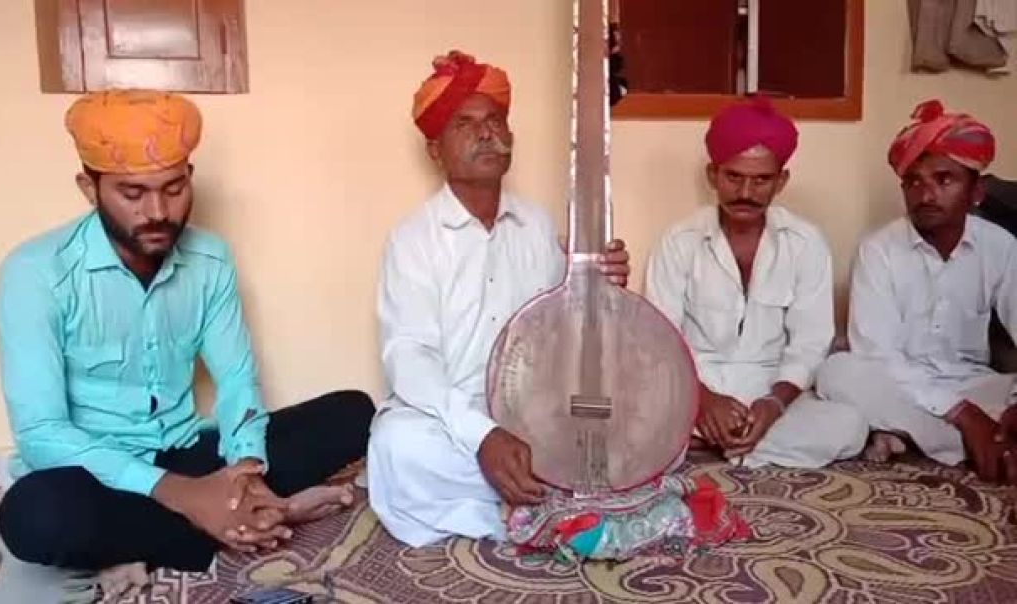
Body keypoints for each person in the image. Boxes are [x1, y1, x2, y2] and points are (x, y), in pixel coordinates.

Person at [0, 90, 374, 588]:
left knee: (354, 411)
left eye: (174, 189)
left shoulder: (210, 259)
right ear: (89, 188)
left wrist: (247, 472)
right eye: (133, 194)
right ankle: (256, 516)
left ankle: (209, 519)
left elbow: (236, 379)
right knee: (33, 516)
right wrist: (180, 493)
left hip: (190, 451)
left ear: (190, 179)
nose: (158, 211)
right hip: (100, 472)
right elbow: (42, 433)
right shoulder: (36, 272)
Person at [366, 51, 630, 547]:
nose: (486, 133)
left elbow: (571, 328)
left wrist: (603, 287)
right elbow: (409, 358)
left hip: (536, 410)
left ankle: (528, 500)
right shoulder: (413, 239)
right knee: (397, 448)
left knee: (630, 416)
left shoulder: (538, 226)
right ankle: (538, 511)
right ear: (434, 150)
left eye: (495, 120)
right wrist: (482, 435)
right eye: (464, 124)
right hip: (451, 418)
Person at [645, 98, 867, 468]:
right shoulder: (678, 241)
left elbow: (811, 342)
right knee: (623, 410)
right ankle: (731, 444)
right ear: (712, 175)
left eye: (761, 179)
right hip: (695, 387)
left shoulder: (805, 242)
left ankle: (710, 446)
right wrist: (702, 401)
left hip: (769, 389)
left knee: (851, 425)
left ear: (781, 182)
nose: (746, 192)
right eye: (734, 177)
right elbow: (660, 342)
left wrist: (774, 405)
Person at [816, 100, 1017, 482]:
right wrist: (965, 415)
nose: (925, 195)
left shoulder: (1001, 247)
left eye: (944, 180)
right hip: (900, 384)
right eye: (913, 182)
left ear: (977, 191)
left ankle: (912, 436)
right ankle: (970, 441)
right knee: (836, 373)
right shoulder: (879, 250)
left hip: (973, 382)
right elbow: (877, 354)